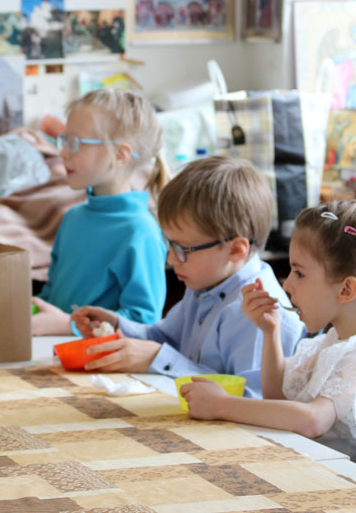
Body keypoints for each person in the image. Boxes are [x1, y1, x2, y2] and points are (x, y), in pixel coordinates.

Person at [181, 200, 356, 471]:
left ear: (346, 290)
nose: (287, 284)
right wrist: (270, 332)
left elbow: (313, 421)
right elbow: (276, 395)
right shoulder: (338, 338)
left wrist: (222, 405)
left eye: (299, 273)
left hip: (337, 484)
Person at [72, 156, 305, 399]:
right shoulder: (206, 283)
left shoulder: (258, 312)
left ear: (236, 249)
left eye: (182, 249)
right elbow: (164, 338)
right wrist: (117, 325)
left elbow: (249, 398)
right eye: (170, 244)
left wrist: (156, 358)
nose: (171, 259)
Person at [31, 90, 169, 335]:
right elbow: (52, 296)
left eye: (75, 143)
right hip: (53, 351)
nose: (63, 152)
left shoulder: (140, 232)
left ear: (120, 155)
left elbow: (144, 323)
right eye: (64, 140)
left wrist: (68, 325)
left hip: (98, 358)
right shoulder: (73, 218)